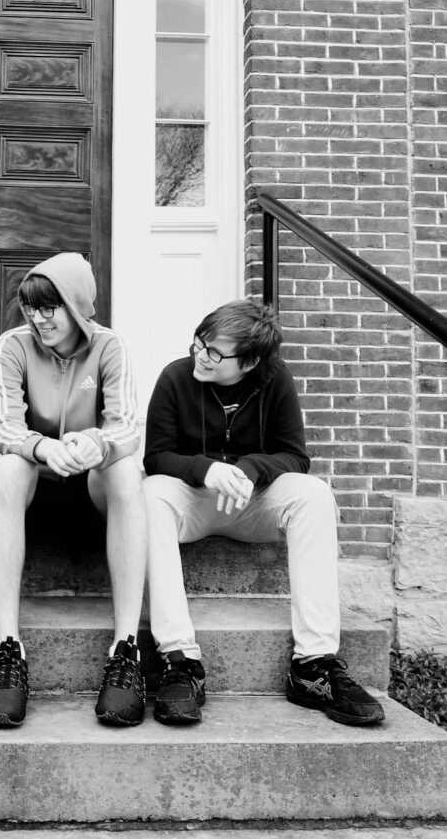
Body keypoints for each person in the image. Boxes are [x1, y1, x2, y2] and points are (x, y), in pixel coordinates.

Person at [142, 299, 385, 728]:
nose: (201, 354)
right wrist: (206, 469)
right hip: (195, 502)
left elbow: (295, 456)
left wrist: (251, 469)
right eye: (200, 342)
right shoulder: (175, 378)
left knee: (312, 494)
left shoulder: (276, 381)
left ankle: (314, 667)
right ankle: (179, 662)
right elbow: (157, 456)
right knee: (150, 493)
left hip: (254, 504)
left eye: (215, 352)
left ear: (250, 360)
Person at [0, 252, 148, 729]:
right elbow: (4, 428)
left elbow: (127, 429)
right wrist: (42, 448)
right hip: (37, 482)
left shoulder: (110, 346)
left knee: (127, 471)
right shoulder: (12, 345)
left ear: (76, 305)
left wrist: (93, 443)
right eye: (31, 308)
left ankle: (126, 649)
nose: (38, 318)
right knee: (9, 468)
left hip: (92, 482)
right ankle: (7, 649)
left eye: (49, 307)